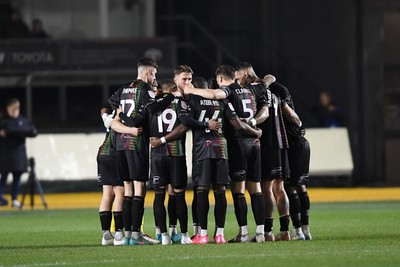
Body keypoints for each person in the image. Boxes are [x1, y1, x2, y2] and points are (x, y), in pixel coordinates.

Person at [182, 64, 269, 243]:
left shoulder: (227, 91)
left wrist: (192, 89)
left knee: (238, 191)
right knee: (256, 189)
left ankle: (243, 232)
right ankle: (262, 232)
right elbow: (269, 81)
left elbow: (215, 95)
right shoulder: (250, 90)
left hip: (238, 144)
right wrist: (255, 128)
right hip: (255, 144)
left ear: (221, 79)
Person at [146, 79, 192, 245]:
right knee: (179, 196)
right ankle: (185, 235)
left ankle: (163, 235)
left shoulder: (152, 105)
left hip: (157, 156)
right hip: (176, 154)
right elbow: (185, 125)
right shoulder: (180, 103)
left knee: (159, 196)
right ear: (173, 89)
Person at [269, 80, 312, 240]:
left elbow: (296, 119)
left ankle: (299, 230)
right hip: (300, 143)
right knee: (300, 187)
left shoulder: (279, 102)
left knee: (291, 188)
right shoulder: (284, 99)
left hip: (293, 145)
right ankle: (304, 230)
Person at [97, 102, 141, 245]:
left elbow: (103, 107)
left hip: (102, 153)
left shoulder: (110, 115)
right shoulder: (124, 117)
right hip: (115, 155)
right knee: (120, 193)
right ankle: (119, 234)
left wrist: (104, 115)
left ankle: (106, 235)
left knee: (107, 194)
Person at [0, 98, 37, 208]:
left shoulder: (23, 121)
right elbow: (25, 130)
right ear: (8, 109)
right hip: (5, 153)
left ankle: (14, 199)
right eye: (13, 108)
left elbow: (33, 131)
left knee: (17, 177)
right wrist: (20, 131)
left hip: (19, 154)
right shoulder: (4, 121)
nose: (16, 110)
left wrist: (11, 131)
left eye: (17, 108)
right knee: (4, 177)